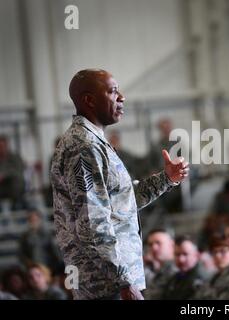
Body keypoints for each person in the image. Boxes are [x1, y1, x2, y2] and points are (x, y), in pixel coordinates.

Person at [51, 69, 188, 300]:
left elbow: (120, 202)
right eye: (113, 92)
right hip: (104, 285)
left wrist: (166, 179)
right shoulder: (83, 146)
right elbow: (92, 224)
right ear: (89, 100)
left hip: (111, 282)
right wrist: (124, 281)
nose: (122, 97)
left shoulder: (94, 141)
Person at [162, 235, 210, 299]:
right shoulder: (175, 278)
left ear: (197, 255)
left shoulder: (202, 279)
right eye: (177, 254)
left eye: (185, 254)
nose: (181, 259)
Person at [18, 209, 63, 274]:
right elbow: (22, 255)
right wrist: (30, 265)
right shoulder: (24, 237)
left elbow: (55, 253)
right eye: (31, 220)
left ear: (39, 220)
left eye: (35, 219)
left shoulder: (48, 235)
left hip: (49, 268)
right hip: (34, 270)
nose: (33, 222)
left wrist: (56, 267)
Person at [143, 229, 178, 300]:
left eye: (158, 243)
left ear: (172, 244)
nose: (154, 248)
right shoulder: (157, 270)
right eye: (150, 244)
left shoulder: (179, 269)